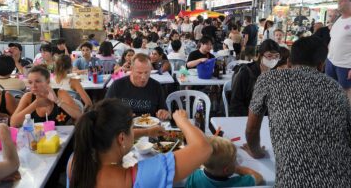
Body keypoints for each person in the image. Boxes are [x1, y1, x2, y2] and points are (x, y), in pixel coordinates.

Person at [244, 36, 351, 187]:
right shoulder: (336, 88)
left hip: (293, 181)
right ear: (321, 66)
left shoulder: (269, 79)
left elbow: (252, 129)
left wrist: (256, 151)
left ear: (288, 62)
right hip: (342, 179)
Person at [67, 98, 212, 188]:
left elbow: (111, 135)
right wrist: (182, 121)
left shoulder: (75, 162)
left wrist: (146, 132)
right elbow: (203, 148)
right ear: (121, 138)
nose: (134, 131)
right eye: (132, 128)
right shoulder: (142, 176)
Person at [10, 66, 82, 127]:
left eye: (38, 81)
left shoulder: (60, 93)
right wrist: (35, 104)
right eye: (30, 82)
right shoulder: (28, 97)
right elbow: (13, 123)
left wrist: (57, 101)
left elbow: (79, 116)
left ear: (47, 81)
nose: (33, 86)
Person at [106, 54, 170, 120]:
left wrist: (164, 114)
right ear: (131, 70)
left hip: (150, 127)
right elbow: (105, 110)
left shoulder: (156, 86)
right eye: (139, 73)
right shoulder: (118, 85)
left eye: (146, 72)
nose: (143, 77)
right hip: (124, 126)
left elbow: (165, 111)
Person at [186, 136, 263, 188]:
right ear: (226, 170)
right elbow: (258, 178)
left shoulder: (193, 176)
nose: (236, 163)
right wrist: (237, 169)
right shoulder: (237, 183)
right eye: (234, 161)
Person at [230, 39, 280, 116]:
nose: (273, 59)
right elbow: (236, 103)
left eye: (276, 56)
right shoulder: (246, 73)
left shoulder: (275, 74)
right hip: (246, 116)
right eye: (269, 56)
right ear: (260, 55)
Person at [326, 0, 351, 102]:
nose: (338, 3)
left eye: (342, 1)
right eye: (338, 1)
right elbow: (332, 39)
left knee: (346, 93)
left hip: (345, 65)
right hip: (331, 61)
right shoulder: (339, 19)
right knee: (331, 91)